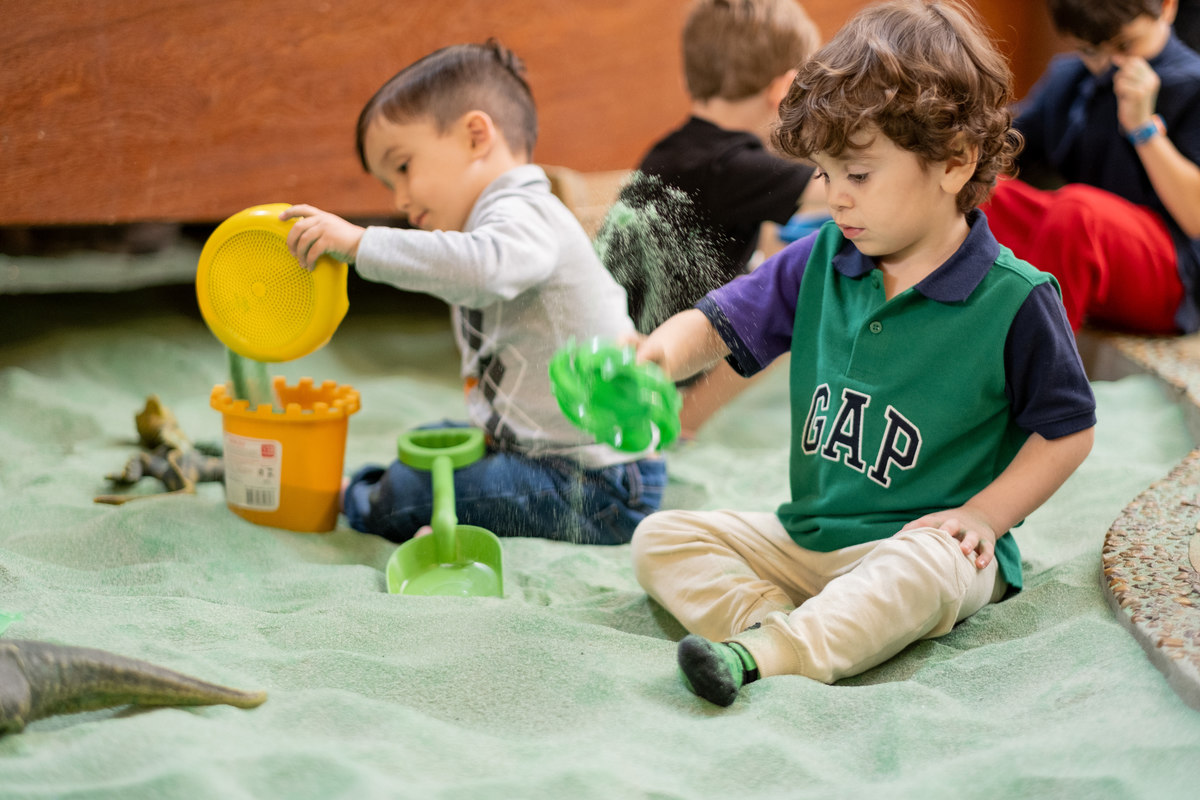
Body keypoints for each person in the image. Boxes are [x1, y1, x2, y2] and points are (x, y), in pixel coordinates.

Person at [628, 0, 1097, 706]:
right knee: (662, 539)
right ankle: (772, 622)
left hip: (926, 541)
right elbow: (719, 323)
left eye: (859, 174)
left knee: (930, 570)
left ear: (954, 162)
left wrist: (986, 517)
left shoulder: (1014, 298)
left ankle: (776, 651)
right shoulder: (819, 259)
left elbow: (1069, 430)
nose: (836, 199)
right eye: (824, 175)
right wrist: (658, 357)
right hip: (812, 539)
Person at [279, 41, 666, 545]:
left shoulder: (525, 213)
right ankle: (384, 488)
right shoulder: (502, 216)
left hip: (597, 486)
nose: (399, 199)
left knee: (411, 490)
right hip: (541, 454)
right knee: (431, 443)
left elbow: (483, 268)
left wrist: (361, 243)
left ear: (476, 136)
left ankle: (360, 498)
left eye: (402, 167)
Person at [596, 0, 823, 438]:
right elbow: (844, 189)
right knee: (790, 303)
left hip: (617, 338)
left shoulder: (670, 150)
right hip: (660, 367)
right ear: (786, 91)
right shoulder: (736, 168)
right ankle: (679, 426)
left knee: (771, 253)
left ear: (690, 78)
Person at [981, 0, 1200, 334]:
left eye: (1125, 45)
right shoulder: (1072, 76)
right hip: (1078, 250)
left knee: (1076, 211)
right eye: (1091, 50)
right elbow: (1006, 143)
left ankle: (1027, 373)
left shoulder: (1192, 83)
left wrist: (1143, 130)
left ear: (1167, 7)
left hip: (1169, 275)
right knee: (976, 191)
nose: (1110, 64)